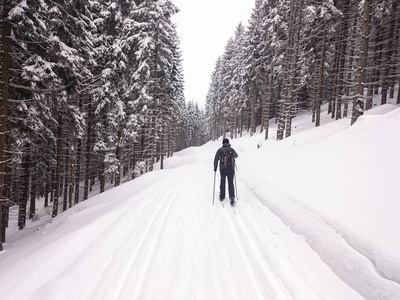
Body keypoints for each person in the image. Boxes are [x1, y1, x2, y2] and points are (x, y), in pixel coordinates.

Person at [214, 138, 238, 206]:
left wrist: (215, 168)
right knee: (230, 182)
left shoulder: (220, 150)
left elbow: (216, 159)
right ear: (228, 143)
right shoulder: (231, 149)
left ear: (223, 143)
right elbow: (236, 156)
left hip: (223, 169)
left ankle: (222, 196)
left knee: (222, 181)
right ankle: (232, 197)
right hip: (231, 168)